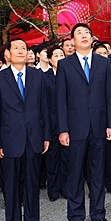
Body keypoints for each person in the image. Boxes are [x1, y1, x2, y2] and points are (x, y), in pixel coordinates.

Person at [56, 23, 111, 221]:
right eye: (79, 33)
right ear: (72, 40)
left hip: (99, 126)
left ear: (92, 39)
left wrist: (110, 124)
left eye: (87, 33)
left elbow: (110, 95)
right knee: (75, 173)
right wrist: (62, 129)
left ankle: (98, 212)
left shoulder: (103, 63)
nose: (84, 36)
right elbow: (60, 100)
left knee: (97, 172)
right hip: (75, 128)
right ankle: (75, 215)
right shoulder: (65, 65)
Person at [0, 38, 50, 221]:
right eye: (16, 48)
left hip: (34, 137)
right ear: (7, 54)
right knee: (11, 184)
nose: (21, 51)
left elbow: (45, 108)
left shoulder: (37, 76)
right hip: (9, 139)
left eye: (24, 48)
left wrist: (46, 135)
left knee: (32, 182)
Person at [93, 42, 111, 197]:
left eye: (105, 53)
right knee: (95, 158)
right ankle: (95, 187)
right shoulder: (89, 73)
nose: (102, 56)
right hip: (94, 122)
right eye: (98, 54)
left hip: (110, 121)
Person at [44, 45, 66, 201]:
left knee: (67, 158)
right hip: (51, 122)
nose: (59, 58)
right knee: (52, 158)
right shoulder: (44, 77)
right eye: (56, 55)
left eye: (61, 55)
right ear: (50, 59)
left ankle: (66, 188)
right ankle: (53, 190)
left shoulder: (70, 75)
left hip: (67, 123)